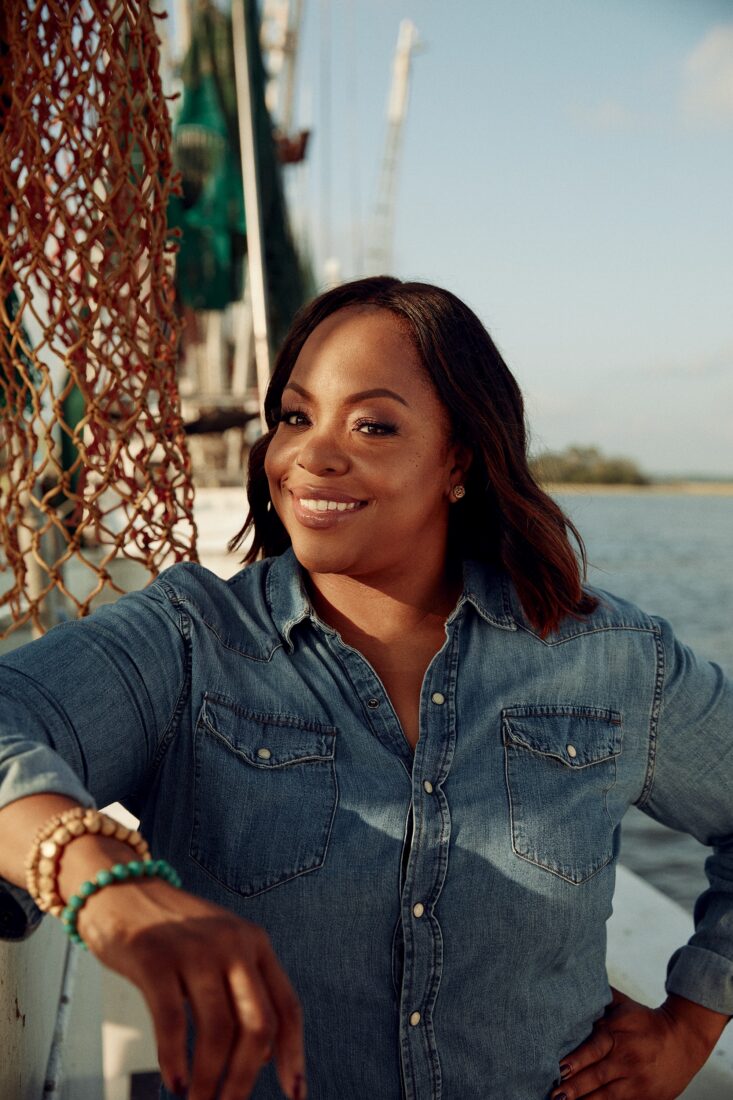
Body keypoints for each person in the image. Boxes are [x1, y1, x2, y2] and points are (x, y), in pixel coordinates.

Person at [0, 276, 731, 1100]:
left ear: (458, 459)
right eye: (294, 416)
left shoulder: (611, 659)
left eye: (372, 425)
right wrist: (101, 879)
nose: (312, 454)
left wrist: (688, 1026)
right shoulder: (192, 640)